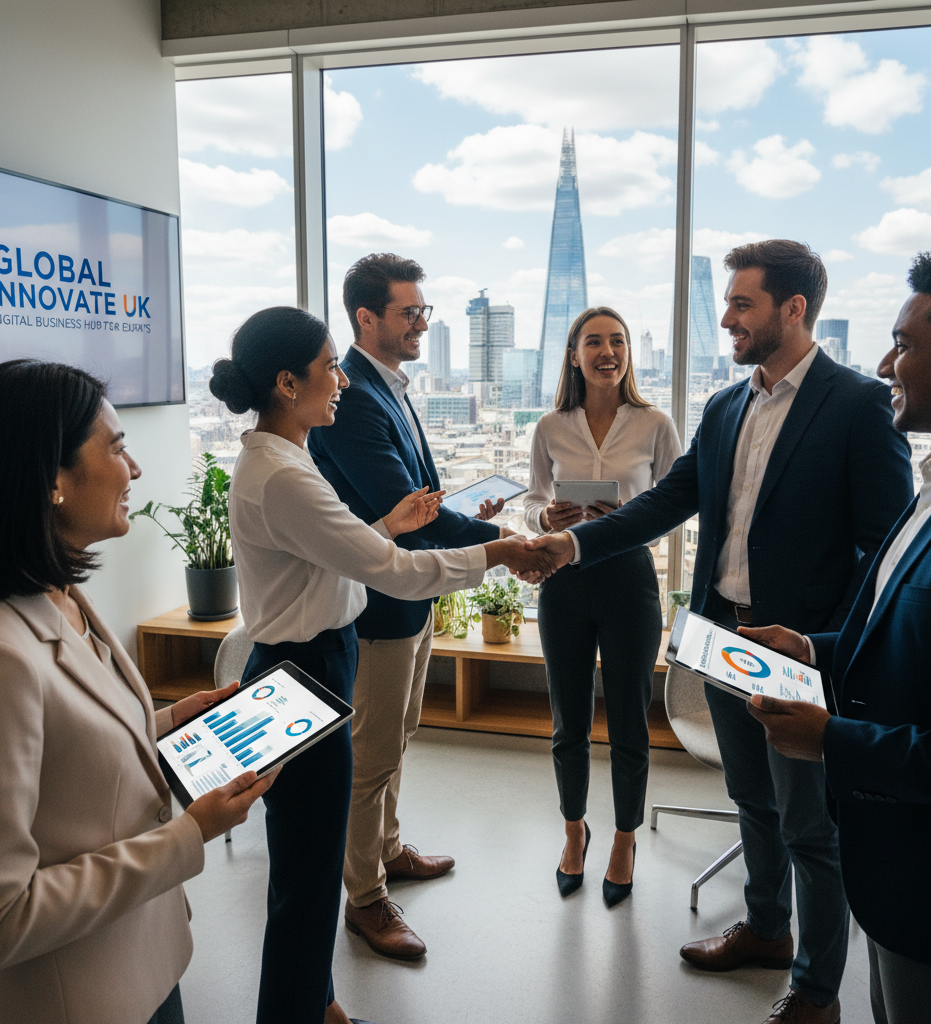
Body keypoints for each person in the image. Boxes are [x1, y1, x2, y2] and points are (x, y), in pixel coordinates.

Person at [524, 240, 914, 1024]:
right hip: (723, 637)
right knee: (752, 798)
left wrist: (827, 649)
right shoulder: (727, 404)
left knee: (810, 823)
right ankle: (768, 929)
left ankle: (815, 989)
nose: (727, 319)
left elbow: (887, 545)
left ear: (793, 309)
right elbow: (666, 502)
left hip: (798, 651)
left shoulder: (856, 403)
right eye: (730, 303)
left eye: (742, 304)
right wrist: (571, 542)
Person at [209, 306, 553, 1024]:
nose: (340, 380)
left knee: (305, 857)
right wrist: (499, 551)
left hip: (306, 661)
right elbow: (393, 574)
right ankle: (296, 1013)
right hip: (304, 671)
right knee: (306, 875)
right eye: (330, 366)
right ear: (285, 381)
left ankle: (319, 1003)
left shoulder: (280, 457)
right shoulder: (284, 474)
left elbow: (326, 560)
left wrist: (383, 525)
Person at [745, 240, 931, 1024]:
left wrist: (832, 741)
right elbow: (924, 644)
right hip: (902, 882)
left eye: (903, 342)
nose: (883, 362)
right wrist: (812, 651)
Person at [0, 359, 275, 1024]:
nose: (136, 469)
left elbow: (65, 765)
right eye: (117, 447)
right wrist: (190, 834)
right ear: (52, 480)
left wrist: (162, 721)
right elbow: (7, 916)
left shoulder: (63, 597)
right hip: (83, 997)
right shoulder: (6, 658)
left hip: (145, 962)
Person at [308, 254, 505, 960]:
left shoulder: (388, 385)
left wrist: (463, 512)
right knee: (371, 758)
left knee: (399, 736)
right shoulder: (354, 394)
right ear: (367, 318)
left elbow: (418, 498)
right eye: (409, 312)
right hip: (380, 606)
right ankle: (365, 898)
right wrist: (507, 542)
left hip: (410, 602)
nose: (423, 321)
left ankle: (388, 850)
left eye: (425, 310)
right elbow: (402, 514)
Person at [521, 305, 682, 906]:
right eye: (594, 342)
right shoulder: (549, 426)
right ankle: (573, 831)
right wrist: (547, 516)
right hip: (564, 579)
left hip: (630, 582)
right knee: (568, 720)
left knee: (629, 721)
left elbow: (673, 502)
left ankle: (623, 837)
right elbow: (533, 498)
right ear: (573, 354)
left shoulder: (654, 424)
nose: (607, 350)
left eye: (617, 340)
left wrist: (629, 522)